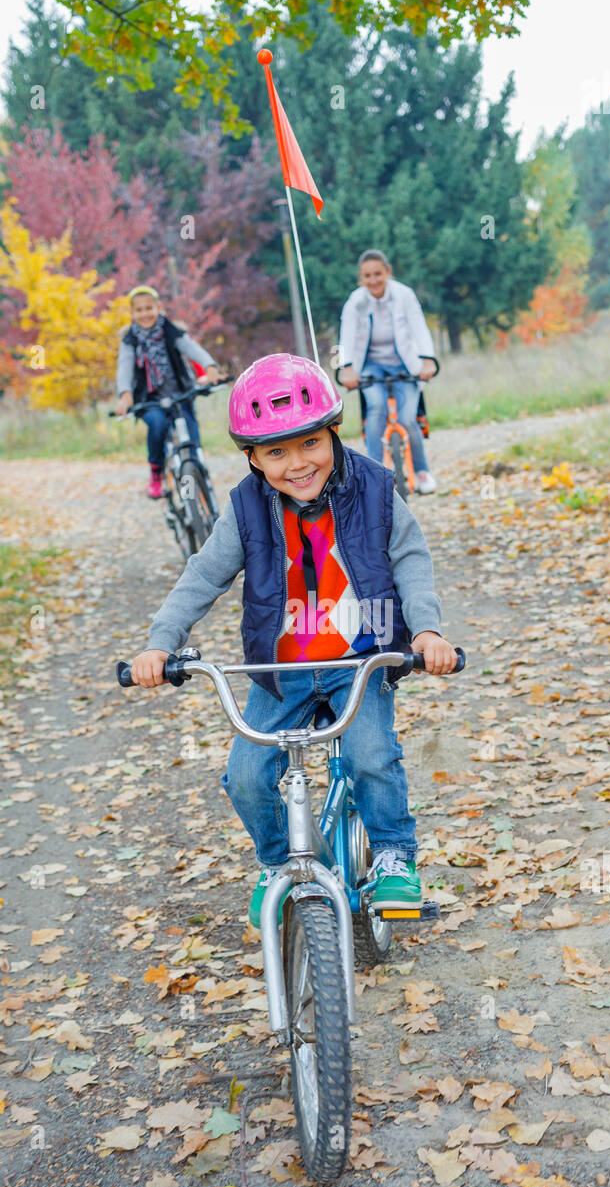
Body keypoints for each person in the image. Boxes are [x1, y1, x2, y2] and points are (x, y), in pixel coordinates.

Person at [128, 353, 457, 928]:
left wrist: (426, 630)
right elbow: (205, 575)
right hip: (280, 670)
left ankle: (392, 858)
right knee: (248, 775)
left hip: (360, 658)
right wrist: (161, 643)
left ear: (333, 432)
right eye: (275, 452)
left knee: (370, 755)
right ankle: (280, 862)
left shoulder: (376, 489)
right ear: (251, 457)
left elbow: (410, 559)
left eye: (309, 443)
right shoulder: (246, 508)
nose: (297, 463)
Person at [337, 249, 438, 493]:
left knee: (407, 417)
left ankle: (422, 471)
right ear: (361, 278)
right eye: (367, 276)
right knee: (376, 409)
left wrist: (428, 360)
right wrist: (347, 368)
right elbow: (347, 335)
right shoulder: (355, 302)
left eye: (378, 274)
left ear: (388, 272)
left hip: (404, 364)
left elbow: (419, 328)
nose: (373, 280)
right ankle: (375, 473)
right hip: (371, 366)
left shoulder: (404, 295)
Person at [115, 285, 219, 499]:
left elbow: (191, 348)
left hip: (180, 395)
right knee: (158, 425)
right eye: (139, 310)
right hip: (150, 401)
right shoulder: (129, 340)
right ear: (132, 313)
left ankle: (194, 487)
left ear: (158, 308)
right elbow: (124, 367)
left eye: (149, 308)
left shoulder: (170, 330)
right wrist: (125, 394)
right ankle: (156, 471)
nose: (145, 314)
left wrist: (209, 366)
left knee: (191, 443)